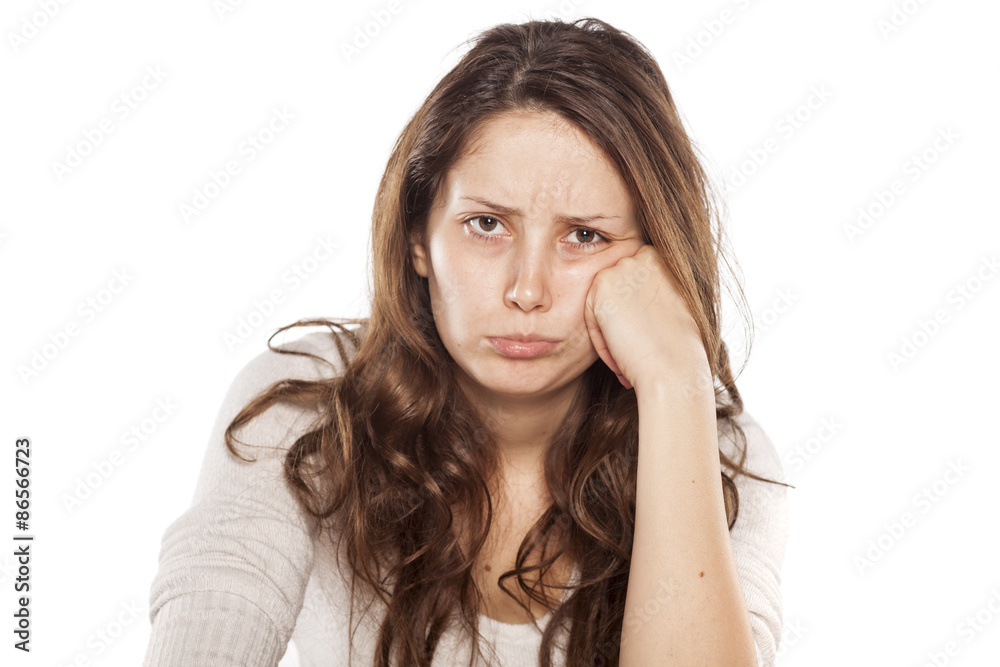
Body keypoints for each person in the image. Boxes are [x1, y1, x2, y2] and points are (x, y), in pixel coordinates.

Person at [143, 17, 788, 667]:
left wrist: (675, 383)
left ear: (652, 261)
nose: (527, 290)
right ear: (419, 239)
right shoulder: (306, 404)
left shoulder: (719, 455)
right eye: (486, 224)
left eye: (584, 236)